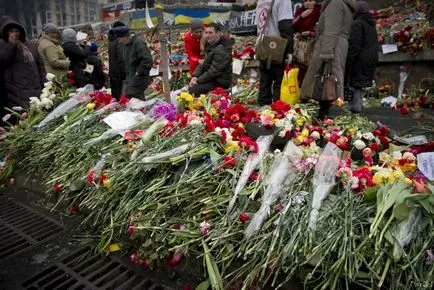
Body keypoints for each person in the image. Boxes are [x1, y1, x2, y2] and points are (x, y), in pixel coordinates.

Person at [300, 0, 356, 119]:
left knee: (327, 79)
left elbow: (331, 30)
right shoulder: (343, 4)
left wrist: (326, 52)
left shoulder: (335, 4)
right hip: (337, 44)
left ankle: (327, 113)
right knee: (331, 79)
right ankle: (330, 111)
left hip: (331, 45)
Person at [0, 18, 46, 109]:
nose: (14, 33)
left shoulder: (30, 45)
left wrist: (45, 83)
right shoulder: (3, 44)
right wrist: (11, 44)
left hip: (35, 86)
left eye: (16, 31)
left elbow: (40, 65)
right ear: (6, 33)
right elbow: (3, 60)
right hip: (17, 90)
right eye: (11, 31)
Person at [256, 0, 294, 106]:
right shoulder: (283, 1)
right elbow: (285, 26)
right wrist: (289, 51)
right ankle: (277, 110)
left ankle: (264, 108)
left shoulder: (261, 1)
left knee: (265, 80)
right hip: (278, 46)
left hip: (263, 45)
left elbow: (258, 25)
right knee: (279, 82)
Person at [345, 1, 378, 113]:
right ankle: (358, 104)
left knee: (356, 82)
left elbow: (354, 44)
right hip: (371, 57)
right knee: (361, 82)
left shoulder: (357, 23)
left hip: (360, 58)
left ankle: (356, 106)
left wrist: (349, 58)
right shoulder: (371, 23)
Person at [189, 23, 233, 96]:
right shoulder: (211, 45)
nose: (207, 35)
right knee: (191, 87)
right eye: (206, 33)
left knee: (194, 90)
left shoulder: (221, 48)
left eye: (210, 33)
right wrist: (195, 76)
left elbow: (214, 71)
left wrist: (198, 80)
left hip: (220, 81)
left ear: (218, 33)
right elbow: (203, 63)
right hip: (213, 78)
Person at [116, 26, 153, 99]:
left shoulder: (138, 43)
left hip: (138, 78)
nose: (119, 41)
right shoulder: (126, 45)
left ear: (125, 37)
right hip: (131, 78)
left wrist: (139, 72)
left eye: (119, 39)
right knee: (131, 98)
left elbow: (147, 60)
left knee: (136, 98)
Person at [292, 0, 321, 84]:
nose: (307, 3)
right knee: (298, 70)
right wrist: (301, 16)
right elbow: (293, 26)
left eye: (310, 0)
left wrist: (311, 33)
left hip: (313, 46)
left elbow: (323, 29)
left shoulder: (319, 11)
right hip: (299, 47)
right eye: (305, 1)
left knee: (310, 72)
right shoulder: (300, 10)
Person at [108, 21, 126, 99]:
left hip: (113, 71)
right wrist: (125, 73)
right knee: (121, 95)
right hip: (119, 72)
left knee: (115, 94)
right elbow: (121, 59)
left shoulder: (111, 41)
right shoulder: (119, 42)